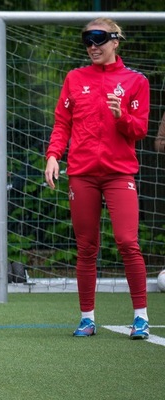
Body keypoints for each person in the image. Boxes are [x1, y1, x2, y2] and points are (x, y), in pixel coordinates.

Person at [44, 18, 151, 340]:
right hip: (82, 174)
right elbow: (62, 123)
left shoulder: (136, 81)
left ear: (116, 41)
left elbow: (140, 130)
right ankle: (87, 318)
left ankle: (141, 317)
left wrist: (122, 116)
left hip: (120, 174)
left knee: (127, 242)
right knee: (86, 247)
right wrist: (53, 156)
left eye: (99, 39)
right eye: (88, 41)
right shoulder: (75, 78)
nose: (93, 46)